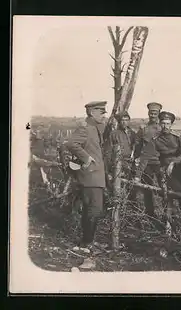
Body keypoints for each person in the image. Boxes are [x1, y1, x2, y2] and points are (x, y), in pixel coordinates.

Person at [65, 101, 108, 269]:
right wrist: (86, 158)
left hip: (96, 177)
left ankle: (88, 241)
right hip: (90, 176)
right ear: (91, 112)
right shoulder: (85, 128)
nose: (104, 115)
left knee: (93, 209)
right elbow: (70, 143)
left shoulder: (96, 128)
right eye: (101, 112)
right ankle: (85, 244)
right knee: (94, 209)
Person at [132, 102, 163, 229]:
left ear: (159, 113)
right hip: (147, 163)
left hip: (160, 163)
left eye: (155, 113)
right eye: (151, 113)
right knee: (147, 190)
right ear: (148, 113)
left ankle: (165, 217)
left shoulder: (162, 128)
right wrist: (136, 159)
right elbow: (138, 146)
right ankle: (151, 216)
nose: (153, 115)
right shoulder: (143, 128)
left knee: (163, 190)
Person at [105, 111, 136, 178]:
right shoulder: (114, 134)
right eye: (122, 120)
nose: (124, 122)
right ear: (119, 121)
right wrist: (109, 169)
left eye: (126, 120)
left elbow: (135, 147)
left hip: (130, 164)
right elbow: (108, 152)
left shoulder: (132, 133)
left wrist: (134, 156)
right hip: (118, 164)